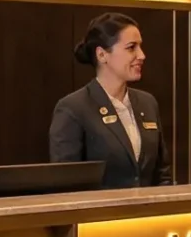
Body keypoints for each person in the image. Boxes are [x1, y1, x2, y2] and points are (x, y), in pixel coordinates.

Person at [48, 12, 162, 189]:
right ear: (102, 55)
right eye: (131, 47)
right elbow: (66, 187)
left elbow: (162, 174)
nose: (142, 55)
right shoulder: (73, 109)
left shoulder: (148, 103)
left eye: (140, 46)